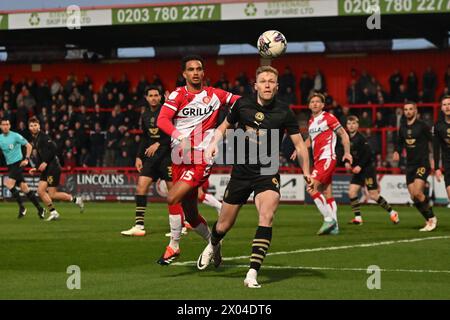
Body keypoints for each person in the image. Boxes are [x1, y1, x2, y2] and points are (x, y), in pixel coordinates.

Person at [196, 66, 312, 288]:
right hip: (241, 173)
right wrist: (213, 144)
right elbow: (223, 126)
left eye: (271, 81)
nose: (267, 84)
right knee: (223, 225)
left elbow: (299, 144)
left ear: (277, 86)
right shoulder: (242, 105)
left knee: (267, 215)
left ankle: (252, 273)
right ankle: (213, 244)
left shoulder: (284, 112)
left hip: (267, 173)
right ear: (255, 85)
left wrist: (307, 172)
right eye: (263, 81)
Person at [156, 55, 240, 265]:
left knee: (172, 197)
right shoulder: (177, 95)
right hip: (179, 157)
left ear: (204, 73)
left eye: (199, 69)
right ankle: (214, 244)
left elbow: (241, 102)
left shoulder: (215, 94)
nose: (195, 72)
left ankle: (173, 246)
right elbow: (162, 120)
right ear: (184, 74)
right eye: (191, 69)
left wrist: (249, 110)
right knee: (192, 216)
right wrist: (180, 137)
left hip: (202, 157)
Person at [121, 86, 184, 237]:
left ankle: (180, 226)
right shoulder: (145, 114)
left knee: (173, 192)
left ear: (161, 97)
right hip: (151, 158)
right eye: (151, 95)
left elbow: (174, 133)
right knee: (141, 187)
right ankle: (139, 226)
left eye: (156, 95)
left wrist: (159, 143)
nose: (154, 98)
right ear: (147, 98)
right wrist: (138, 156)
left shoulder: (167, 111)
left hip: (167, 156)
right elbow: (144, 137)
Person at [305, 93, 352, 235]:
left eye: (318, 102)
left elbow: (343, 134)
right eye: (312, 102)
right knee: (327, 192)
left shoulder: (329, 118)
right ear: (309, 105)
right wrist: (299, 148)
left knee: (311, 188)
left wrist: (347, 152)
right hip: (318, 161)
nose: (315, 104)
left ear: (323, 105)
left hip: (327, 158)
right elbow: (310, 139)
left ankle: (328, 219)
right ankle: (335, 227)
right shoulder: (311, 122)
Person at [345, 116, 399, 225]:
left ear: (357, 125)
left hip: (367, 170)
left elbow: (368, 154)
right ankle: (358, 218)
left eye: (353, 123)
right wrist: (346, 161)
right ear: (346, 126)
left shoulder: (361, 138)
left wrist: (359, 166)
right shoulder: (346, 139)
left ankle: (392, 212)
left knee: (373, 195)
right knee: (351, 192)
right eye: (349, 123)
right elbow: (345, 153)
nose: (351, 125)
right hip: (357, 170)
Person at [27, 117, 84, 221]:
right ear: (29, 127)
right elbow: (40, 156)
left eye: (35, 125)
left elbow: (54, 148)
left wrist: (45, 162)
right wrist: (36, 167)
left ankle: (76, 199)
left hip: (53, 167)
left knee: (52, 194)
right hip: (46, 168)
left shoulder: (43, 137)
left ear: (39, 126)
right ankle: (53, 212)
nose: (33, 127)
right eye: (31, 125)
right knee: (40, 191)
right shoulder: (35, 139)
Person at [393, 102, 437, 231]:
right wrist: (397, 151)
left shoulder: (422, 125)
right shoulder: (402, 127)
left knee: (418, 192)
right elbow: (399, 142)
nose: (408, 111)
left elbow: (433, 141)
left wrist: (434, 158)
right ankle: (428, 219)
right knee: (413, 196)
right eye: (406, 109)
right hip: (410, 165)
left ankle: (432, 219)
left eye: (410, 109)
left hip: (422, 163)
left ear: (415, 111)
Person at [0, 118, 44, 219]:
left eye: (7, 124)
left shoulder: (15, 136)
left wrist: (27, 159)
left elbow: (29, 146)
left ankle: (22, 207)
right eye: (3, 124)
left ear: (10, 126)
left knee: (8, 183)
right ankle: (40, 209)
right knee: (25, 188)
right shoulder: (0, 138)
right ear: (0, 126)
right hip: (10, 166)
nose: (5, 126)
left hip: (18, 164)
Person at [433, 95, 450, 207]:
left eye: (449, 104)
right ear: (441, 108)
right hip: (448, 161)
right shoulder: (438, 126)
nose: (447, 107)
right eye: (444, 104)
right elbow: (436, 147)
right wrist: (437, 168)